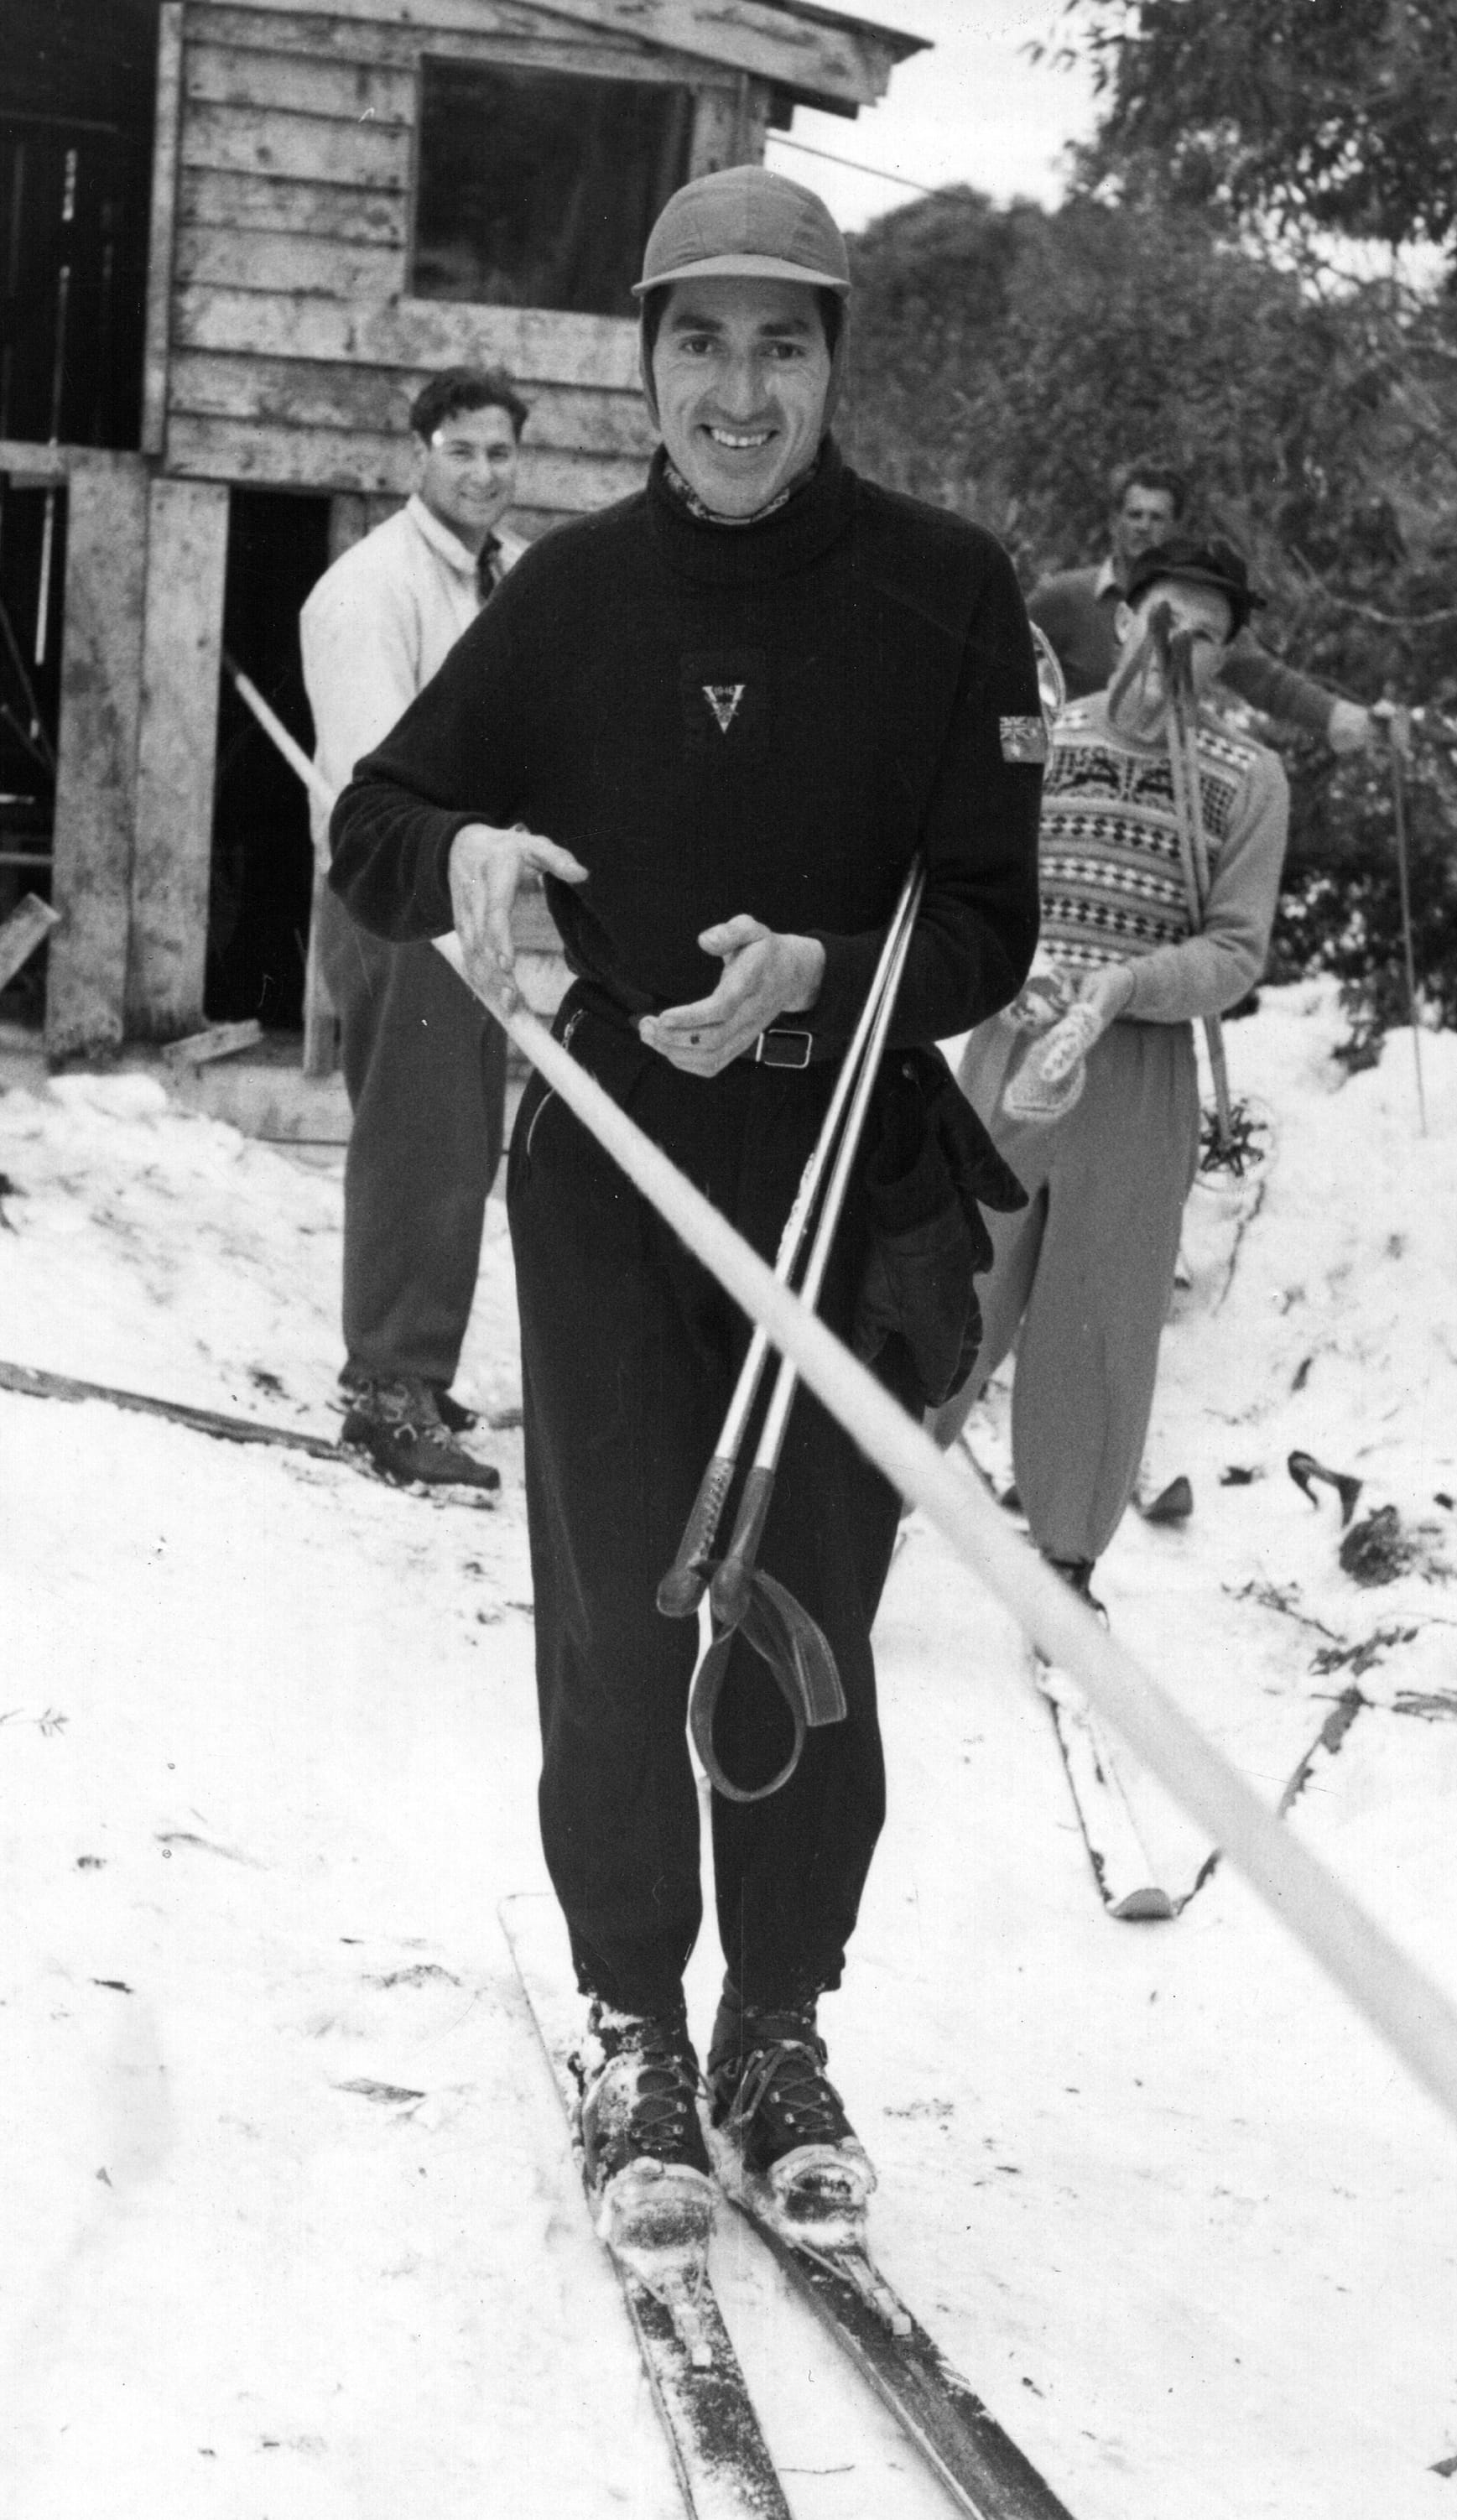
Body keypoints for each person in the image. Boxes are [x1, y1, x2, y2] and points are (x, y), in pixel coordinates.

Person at [326, 167, 1042, 2246]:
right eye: (700, 343)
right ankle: (636, 2018)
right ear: (642, 362)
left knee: (804, 1600)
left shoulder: (944, 591)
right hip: (617, 1175)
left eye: (783, 343)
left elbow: (991, 915)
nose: (740, 391)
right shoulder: (568, 598)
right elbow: (379, 820)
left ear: (833, 363)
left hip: (835, 1171)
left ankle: (780, 2021)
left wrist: (823, 975)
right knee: (616, 1595)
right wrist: (462, 862)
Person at [934, 534, 1289, 1600]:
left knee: (1100, 1311)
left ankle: (1064, 1560)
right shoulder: (1038, 732)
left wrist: (1124, 988)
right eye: (1162, 620)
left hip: (1133, 1074)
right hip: (1012, 1043)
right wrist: (1006, 962)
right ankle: (859, 1505)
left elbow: (1235, 950)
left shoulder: (1245, 776)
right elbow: (960, 849)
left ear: (1226, 658)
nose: (1177, 647)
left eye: (1208, 636)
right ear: (1123, 618)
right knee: (946, 1277)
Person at [301, 367, 533, 1489]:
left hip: (473, 896)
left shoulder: (507, 582)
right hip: (400, 899)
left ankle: (416, 1368)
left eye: (500, 452)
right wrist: (448, 886)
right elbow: (368, 782)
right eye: (461, 450)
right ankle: (389, 1395)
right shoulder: (370, 591)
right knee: (417, 1145)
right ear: (418, 455)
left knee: (459, 1147)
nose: (483, 472)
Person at [1028, 459, 1374, 752]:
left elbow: (1266, 680)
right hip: (1068, 771)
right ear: (1115, 521)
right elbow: (998, 669)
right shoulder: (1064, 596)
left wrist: (1342, 716)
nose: (1143, 527)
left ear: (1175, 527)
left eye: (1157, 518)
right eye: (1135, 515)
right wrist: (1019, 757)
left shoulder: (1198, 610)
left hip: (1160, 772)